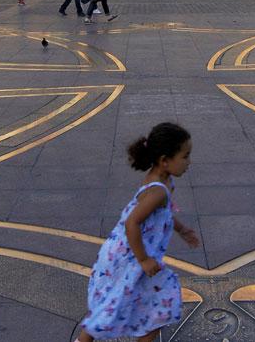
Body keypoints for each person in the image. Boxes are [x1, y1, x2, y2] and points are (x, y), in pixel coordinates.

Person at [73, 122, 201, 342]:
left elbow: (163, 213)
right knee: (152, 306)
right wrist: (143, 260)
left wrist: (181, 229)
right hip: (129, 257)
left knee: (118, 305)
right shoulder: (157, 191)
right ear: (164, 160)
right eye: (185, 156)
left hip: (129, 253)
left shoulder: (163, 180)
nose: (189, 162)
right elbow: (132, 223)